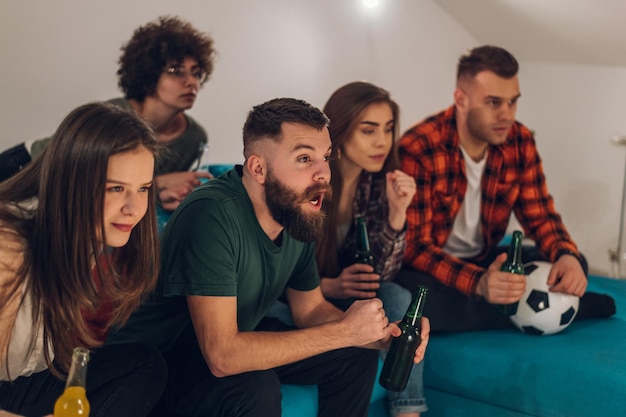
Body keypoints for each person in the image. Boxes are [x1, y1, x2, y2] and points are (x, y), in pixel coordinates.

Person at [107, 97, 430, 417]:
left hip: (226, 339)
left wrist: (382, 338)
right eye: (304, 159)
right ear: (258, 168)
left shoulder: (296, 211)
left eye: (326, 157)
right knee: (254, 387)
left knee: (353, 357)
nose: (323, 174)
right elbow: (222, 356)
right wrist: (344, 332)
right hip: (155, 366)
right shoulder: (212, 213)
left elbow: (311, 309)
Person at [396, 45, 616, 332]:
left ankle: (506, 303)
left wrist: (566, 255)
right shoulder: (419, 146)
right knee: (412, 300)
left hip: (487, 259)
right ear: (461, 100)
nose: (506, 115)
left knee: (573, 262)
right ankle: (564, 307)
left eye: (512, 102)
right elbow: (415, 247)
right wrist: (478, 283)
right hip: (434, 267)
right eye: (493, 103)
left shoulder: (519, 141)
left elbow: (540, 216)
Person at [0, 102, 167, 416]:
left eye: (143, 188)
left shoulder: (85, 233)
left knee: (145, 365)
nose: (134, 208)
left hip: (20, 381)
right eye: (116, 188)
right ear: (72, 182)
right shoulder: (9, 249)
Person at [0, 16, 216, 211]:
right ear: (148, 75)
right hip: (25, 168)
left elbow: (135, 190)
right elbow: (83, 181)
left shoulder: (194, 137)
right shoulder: (116, 115)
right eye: (176, 71)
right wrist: (160, 182)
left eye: (196, 73)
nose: (191, 82)